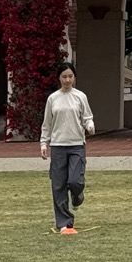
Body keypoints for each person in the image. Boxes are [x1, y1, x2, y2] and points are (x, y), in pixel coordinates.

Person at [40, 61, 95, 234]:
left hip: (76, 145)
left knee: (75, 181)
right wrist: (44, 143)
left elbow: (87, 117)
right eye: (64, 77)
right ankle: (64, 222)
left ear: (74, 78)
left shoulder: (80, 97)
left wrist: (90, 125)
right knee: (59, 185)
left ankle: (77, 197)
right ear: (59, 78)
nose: (67, 80)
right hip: (57, 145)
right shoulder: (53, 99)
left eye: (70, 76)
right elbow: (47, 124)